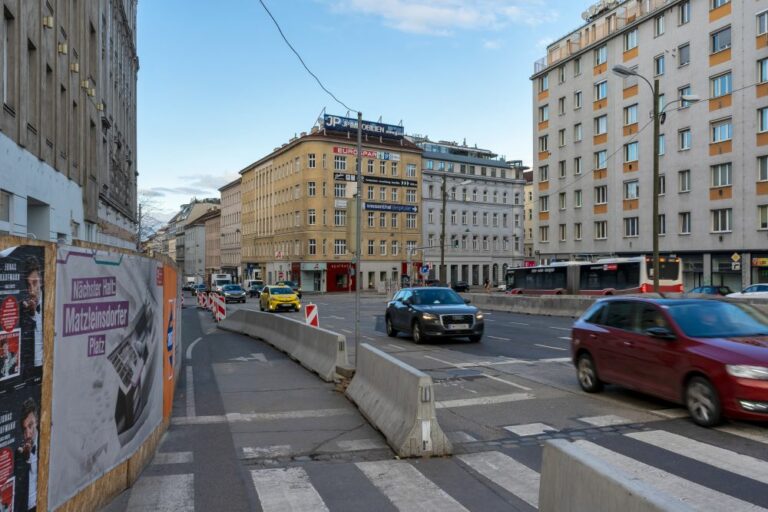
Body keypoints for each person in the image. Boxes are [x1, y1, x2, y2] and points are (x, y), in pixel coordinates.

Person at [15, 397, 38, 511]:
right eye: (24, 429)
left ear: (37, 421)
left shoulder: (45, 442)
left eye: (30, 425)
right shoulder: (20, 452)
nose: (28, 434)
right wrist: (25, 458)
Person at [21, 256, 43, 369]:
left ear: (41, 280)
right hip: (30, 373)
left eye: (35, 283)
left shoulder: (51, 302)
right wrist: (32, 314)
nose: (32, 291)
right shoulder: (24, 309)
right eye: (29, 285)